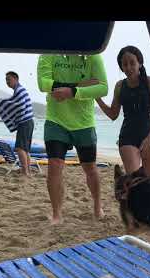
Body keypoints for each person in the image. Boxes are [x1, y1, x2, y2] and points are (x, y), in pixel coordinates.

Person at [37, 54, 108, 224]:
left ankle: (97, 206)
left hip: (84, 123)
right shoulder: (48, 53)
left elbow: (103, 88)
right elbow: (43, 83)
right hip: (56, 120)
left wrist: (72, 92)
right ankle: (56, 214)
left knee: (90, 167)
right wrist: (78, 86)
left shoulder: (93, 55)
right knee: (55, 165)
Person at [95, 45, 150, 175]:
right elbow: (113, 114)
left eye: (132, 63)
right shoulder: (120, 86)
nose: (128, 67)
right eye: (124, 64)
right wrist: (97, 99)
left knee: (149, 183)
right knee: (134, 182)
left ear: (140, 63)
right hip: (128, 137)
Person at [0, 71, 34, 179]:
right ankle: (27, 171)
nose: (7, 82)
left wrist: (3, 103)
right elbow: (16, 104)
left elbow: (19, 106)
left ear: (16, 79)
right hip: (28, 122)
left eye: (9, 79)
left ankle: (25, 172)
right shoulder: (19, 90)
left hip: (25, 122)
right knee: (25, 149)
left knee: (20, 148)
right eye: (6, 80)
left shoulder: (19, 90)